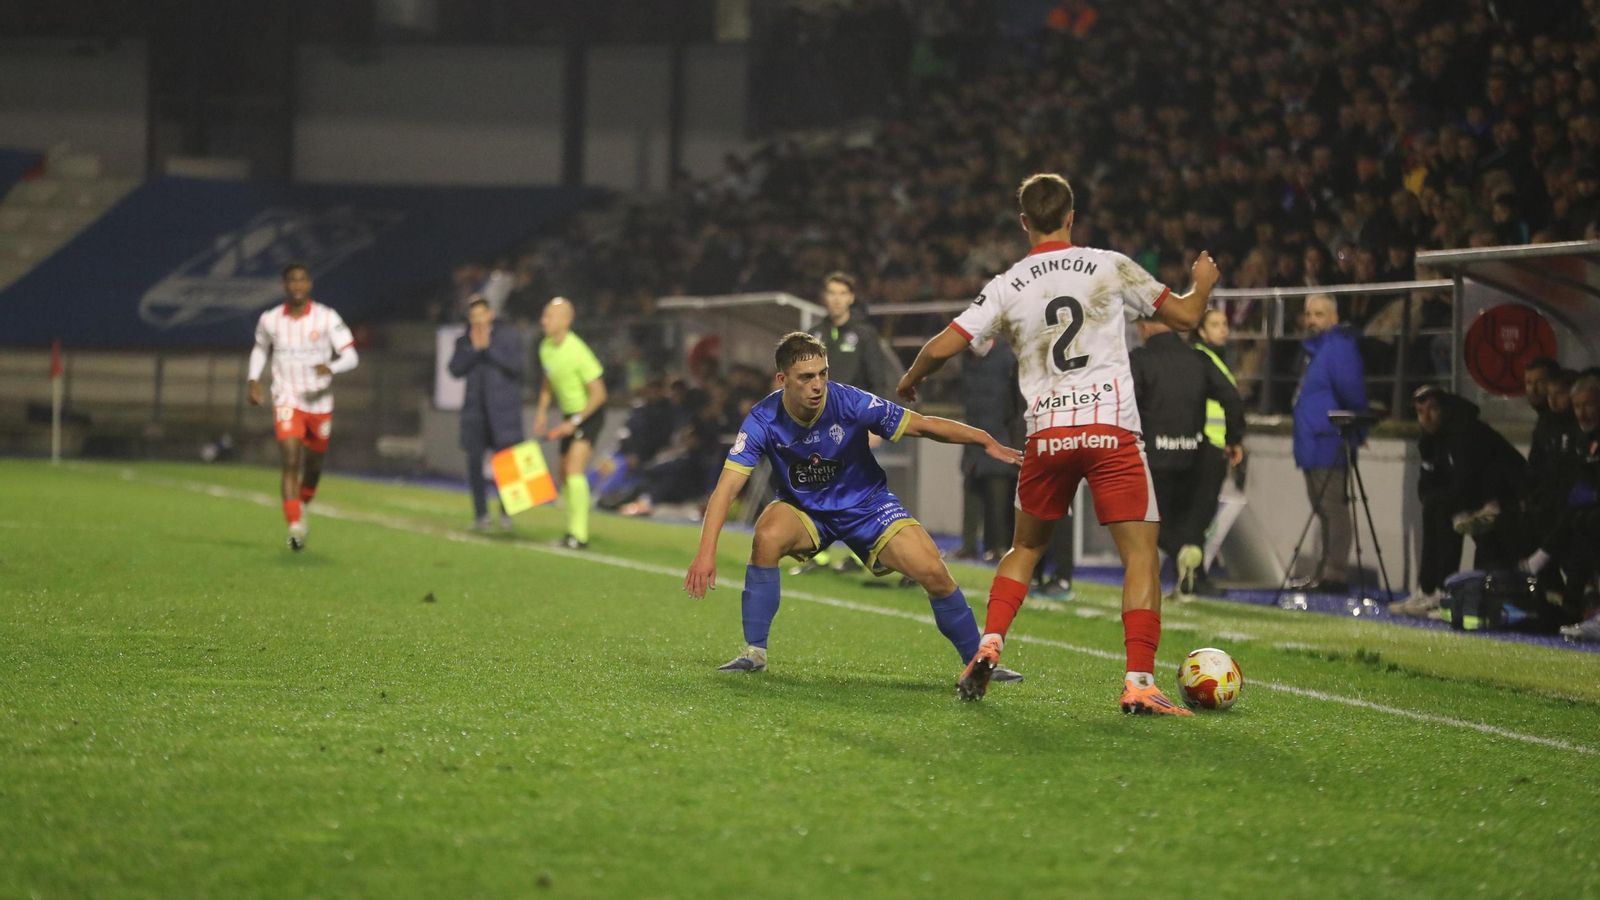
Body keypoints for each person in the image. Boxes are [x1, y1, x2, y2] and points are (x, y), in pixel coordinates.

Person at [898, 172, 1220, 716]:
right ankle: (1139, 681)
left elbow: (943, 344)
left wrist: (911, 380)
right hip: (1110, 430)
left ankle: (990, 641)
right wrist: (1204, 281)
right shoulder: (1109, 264)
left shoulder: (1007, 284)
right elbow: (1187, 316)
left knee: (1024, 548)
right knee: (1139, 555)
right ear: (1072, 215)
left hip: (1047, 433)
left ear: (1024, 222)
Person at [683, 332, 1026, 685]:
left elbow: (922, 425)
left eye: (823, 373)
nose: (818, 385)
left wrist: (982, 438)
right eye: (806, 377)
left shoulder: (851, 402)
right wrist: (705, 554)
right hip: (806, 510)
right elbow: (726, 490)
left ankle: (978, 661)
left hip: (868, 506)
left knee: (933, 571)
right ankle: (754, 653)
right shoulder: (762, 419)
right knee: (767, 535)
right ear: (782, 380)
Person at [246, 262, 359, 552]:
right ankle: (295, 526)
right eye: (292, 281)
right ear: (285, 285)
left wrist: (331, 367)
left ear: (309, 284)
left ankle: (301, 506)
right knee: (290, 459)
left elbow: (351, 356)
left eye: (302, 280)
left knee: (313, 468)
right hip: (287, 398)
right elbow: (260, 348)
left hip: (319, 403)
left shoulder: (326, 317)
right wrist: (253, 379)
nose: (297, 285)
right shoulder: (270, 320)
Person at [1130, 317, 1245, 600]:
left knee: (1148, 523)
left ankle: (1183, 555)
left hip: (1153, 459)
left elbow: (1127, 406)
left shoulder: (1139, 359)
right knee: (1189, 520)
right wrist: (1233, 439)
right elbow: (1231, 397)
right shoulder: (1197, 358)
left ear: (1145, 326)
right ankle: (1191, 579)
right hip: (1193, 455)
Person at [1389, 386, 1527, 617]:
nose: (1426, 417)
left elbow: (1468, 479)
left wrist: (1447, 501)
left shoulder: (1465, 432)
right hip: (1475, 496)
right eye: (1420, 411)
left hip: (1504, 498)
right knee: (1434, 506)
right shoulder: (1430, 439)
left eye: (1432, 409)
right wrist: (1432, 498)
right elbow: (1427, 484)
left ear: (1443, 408)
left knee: (1443, 509)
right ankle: (1427, 588)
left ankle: (1445, 590)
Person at [800, 271, 894, 574]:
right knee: (817, 487)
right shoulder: (815, 334)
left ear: (851, 297)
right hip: (818, 424)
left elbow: (878, 381)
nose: (837, 299)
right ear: (824, 297)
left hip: (854, 423)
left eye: (842, 293)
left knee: (857, 490)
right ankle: (819, 554)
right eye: (832, 293)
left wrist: (875, 424)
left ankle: (860, 554)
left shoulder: (865, 335)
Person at [1289, 293, 1368, 594]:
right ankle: (1326, 571)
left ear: (1334, 318)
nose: (1311, 320)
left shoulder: (1339, 348)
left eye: (1319, 314)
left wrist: (1356, 431)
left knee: (1332, 507)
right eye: (1309, 314)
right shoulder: (1317, 350)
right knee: (1322, 507)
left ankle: (1335, 573)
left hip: (1328, 439)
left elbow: (1353, 394)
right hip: (1313, 439)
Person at [534, 297, 607, 550]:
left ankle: (580, 535)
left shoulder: (578, 351)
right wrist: (542, 412)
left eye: (549, 317)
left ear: (566, 321)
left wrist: (575, 422)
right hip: (569, 416)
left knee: (575, 470)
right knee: (563, 474)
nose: (544, 321)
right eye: (544, 316)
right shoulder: (545, 347)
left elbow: (599, 394)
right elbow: (548, 381)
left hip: (589, 414)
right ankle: (570, 531)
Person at [448, 295, 526, 531]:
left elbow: (517, 367)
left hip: (503, 413)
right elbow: (455, 369)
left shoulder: (507, 336)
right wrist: (474, 350)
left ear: (490, 315)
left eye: (481, 314)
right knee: (474, 465)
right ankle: (481, 515)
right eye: (473, 316)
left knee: (508, 466)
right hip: (475, 414)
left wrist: (487, 349)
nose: (478, 319)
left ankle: (506, 513)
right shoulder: (464, 340)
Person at [957, 337, 1023, 563]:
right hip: (974, 434)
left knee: (999, 495)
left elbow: (1015, 401)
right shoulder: (968, 359)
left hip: (999, 435)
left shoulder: (1007, 358)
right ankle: (968, 545)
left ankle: (1000, 547)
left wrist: (1012, 437)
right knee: (971, 489)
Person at [1194, 307, 1248, 581]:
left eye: (1225, 324)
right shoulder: (1205, 359)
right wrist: (1232, 439)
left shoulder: (1215, 358)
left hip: (1213, 443)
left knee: (1203, 512)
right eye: (1215, 324)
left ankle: (1196, 570)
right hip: (1209, 444)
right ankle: (1196, 573)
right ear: (1202, 330)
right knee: (1201, 514)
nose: (1223, 329)